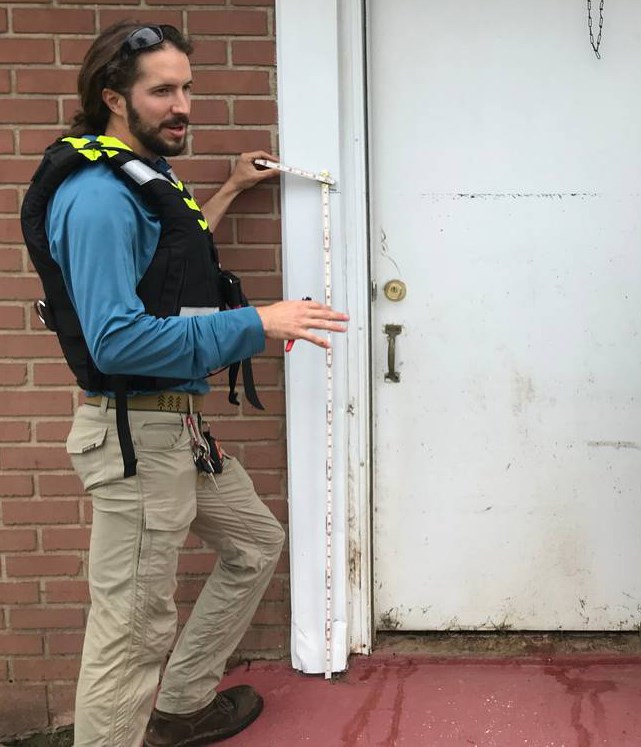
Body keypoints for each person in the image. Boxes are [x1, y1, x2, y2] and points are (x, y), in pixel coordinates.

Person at [19, 21, 349, 747]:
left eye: (187, 88)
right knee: (133, 628)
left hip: (177, 431)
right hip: (136, 437)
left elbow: (173, 261)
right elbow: (116, 340)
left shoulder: (142, 180)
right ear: (113, 97)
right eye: (162, 90)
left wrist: (229, 187)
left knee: (255, 542)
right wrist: (254, 322)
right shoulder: (99, 198)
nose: (183, 105)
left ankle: (181, 705)